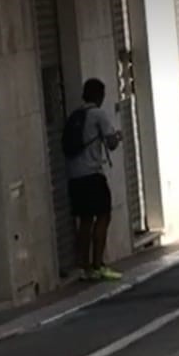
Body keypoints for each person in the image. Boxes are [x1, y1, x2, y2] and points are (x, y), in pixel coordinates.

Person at [64, 78, 123, 280]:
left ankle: (84, 267)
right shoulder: (98, 114)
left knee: (85, 221)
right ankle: (98, 266)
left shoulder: (75, 115)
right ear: (99, 95)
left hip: (75, 177)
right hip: (93, 175)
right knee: (103, 216)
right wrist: (117, 136)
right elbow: (111, 143)